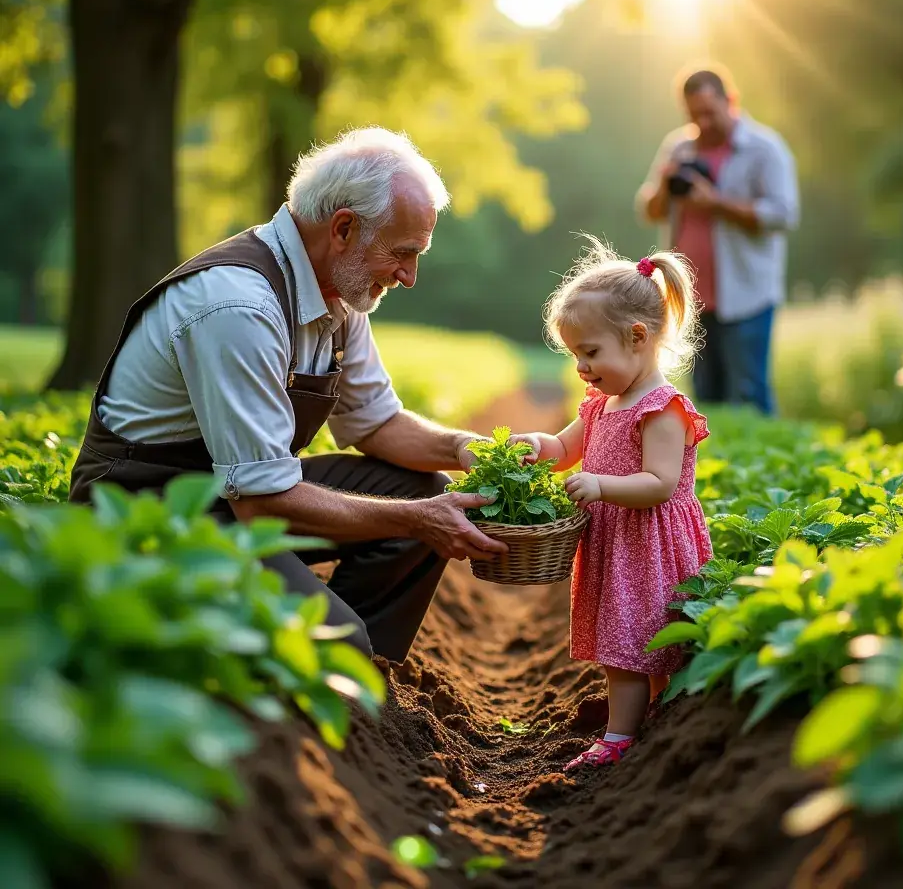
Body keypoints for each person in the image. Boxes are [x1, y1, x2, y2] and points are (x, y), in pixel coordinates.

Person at [68, 126, 505, 663]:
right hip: (152, 516)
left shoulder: (339, 292)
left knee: (420, 490)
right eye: (403, 252)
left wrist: (465, 449)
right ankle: (322, 663)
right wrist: (419, 519)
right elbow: (262, 500)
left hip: (226, 498)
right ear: (343, 227)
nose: (410, 276)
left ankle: (362, 686)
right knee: (342, 637)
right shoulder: (238, 306)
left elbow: (375, 423)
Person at [509, 241, 713, 770]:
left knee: (645, 647)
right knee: (620, 644)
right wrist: (539, 446)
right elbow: (566, 449)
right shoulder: (602, 403)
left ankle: (627, 734)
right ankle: (641, 726)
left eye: (591, 353)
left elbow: (661, 484)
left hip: (649, 546)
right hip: (616, 545)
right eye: (575, 355)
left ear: (638, 337)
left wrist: (599, 486)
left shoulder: (661, 409)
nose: (581, 366)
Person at [635, 66, 799, 414]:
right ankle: (713, 465)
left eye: (710, 113)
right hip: (690, 297)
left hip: (747, 295)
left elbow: (785, 214)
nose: (704, 123)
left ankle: (767, 465)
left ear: (731, 100)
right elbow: (649, 210)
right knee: (703, 398)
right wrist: (666, 185)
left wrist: (716, 203)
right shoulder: (677, 147)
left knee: (749, 392)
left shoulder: (765, 148)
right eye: (695, 115)